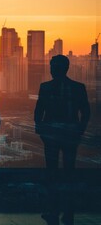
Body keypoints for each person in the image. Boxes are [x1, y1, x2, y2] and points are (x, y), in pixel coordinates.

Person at [34, 55, 90, 225]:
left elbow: (39, 112)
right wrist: (79, 130)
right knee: (67, 171)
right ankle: (67, 209)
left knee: (54, 171)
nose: (51, 70)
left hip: (54, 135)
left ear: (60, 69)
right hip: (67, 136)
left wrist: (42, 130)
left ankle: (54, 208)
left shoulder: (46, 87)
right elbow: (85, 112)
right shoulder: (77, 87)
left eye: (53, 67)